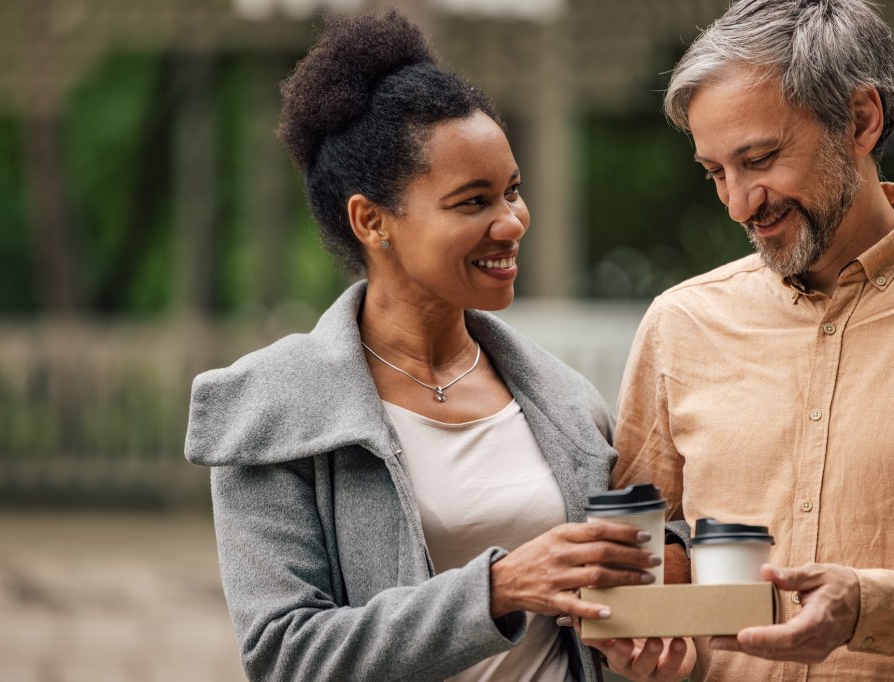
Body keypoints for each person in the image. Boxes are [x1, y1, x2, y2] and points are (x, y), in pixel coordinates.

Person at [185, 10, 687, 681]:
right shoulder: (274, 412)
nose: (511, 222)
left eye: (512, 190)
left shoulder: (567, 402)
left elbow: (612, 609)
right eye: (472, 201)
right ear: (371, 221)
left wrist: (650, 628)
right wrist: (499, 589)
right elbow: (286, 655)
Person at [612, 0, 894, 679]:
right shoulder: (680, 326)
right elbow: (637, 568)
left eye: (760, 159)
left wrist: (871, 606)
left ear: (861, 120)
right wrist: (643, 630)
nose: (741, 203)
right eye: (716, 172)